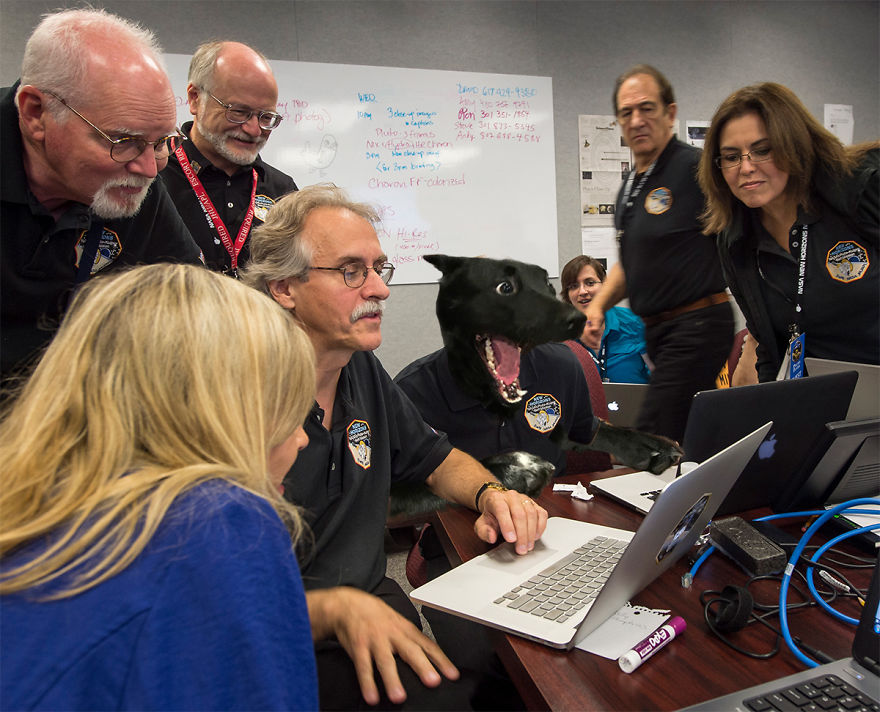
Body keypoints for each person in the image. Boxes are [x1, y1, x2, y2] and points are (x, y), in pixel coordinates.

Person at [241, 183, 547, 710]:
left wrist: (492, 494)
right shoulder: (238, 395)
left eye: (380, 268)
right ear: (285, 287)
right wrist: (335, 610)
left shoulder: (359, 367)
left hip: (372, 605)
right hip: (279, 637)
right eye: (351, 271)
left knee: (498, 694)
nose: (380, 289)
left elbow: (438, 459)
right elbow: (210, 598)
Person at [0, 264, 318, 710]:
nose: (301, 438)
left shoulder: (36, 500)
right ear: (215, 413)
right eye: (284, 411)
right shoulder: (218, 522)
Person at [1, 8, 203, 384]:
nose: (148, 168)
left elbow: (194, 300)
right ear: (35, 113)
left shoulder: (133, 175)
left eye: (162, 143)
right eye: (123, 141)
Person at [583, 64, 734, 443]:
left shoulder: (695, 169)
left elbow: (743, 229)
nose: (636, 120)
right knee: (681, 435)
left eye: (647, 108)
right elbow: (632, 263)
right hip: (661, 332)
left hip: (697, 324)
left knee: (653, 436)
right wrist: (598, 306)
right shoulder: (630, 188)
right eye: (626, 112)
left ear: (670, 113)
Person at [698, 82, 879, 381]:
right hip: (822, 405)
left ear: (795, 145)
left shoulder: (860, 187)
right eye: (731, 157)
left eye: (762, 150)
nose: (745, 167)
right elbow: (770, 347)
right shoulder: (735, 241)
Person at [162, 40, 297, 277]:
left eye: (266, 117)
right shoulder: (155, 178)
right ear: (195, 98)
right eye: (239, 112)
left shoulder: (283, 191)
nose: (254, 130)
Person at [561, 254, 650, 384]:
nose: (582, 291)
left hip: (635, 403)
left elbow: (661, 374)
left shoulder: (635, 322)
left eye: (590, 283)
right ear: (568, 296)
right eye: (573, 286)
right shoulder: (560, 336)